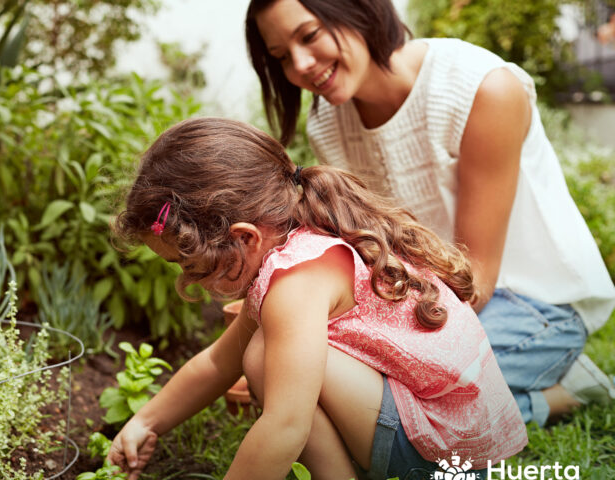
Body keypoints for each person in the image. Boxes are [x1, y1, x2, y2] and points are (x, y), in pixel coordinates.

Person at [245, 0, 615, 427]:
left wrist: (387, 355)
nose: (301, 65)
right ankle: (548, 395)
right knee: (350, 390)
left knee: (385, 405)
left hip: (535, 303)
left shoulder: (481, 88)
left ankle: (561, 395)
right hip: (434, 298)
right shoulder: (328, 122)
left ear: (358, 10)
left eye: (309, 36)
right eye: (281, 58)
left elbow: (476, 278)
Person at [109, 117, 527, 480]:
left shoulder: (296, 283)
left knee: (262, 358)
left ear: (244, 237)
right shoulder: (303, 240)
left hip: (448, 459)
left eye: (191, 266)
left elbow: (285, 426)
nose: (189, 281)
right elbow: (219, 362)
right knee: (258, 352)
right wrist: (146, 421)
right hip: (462, 441)